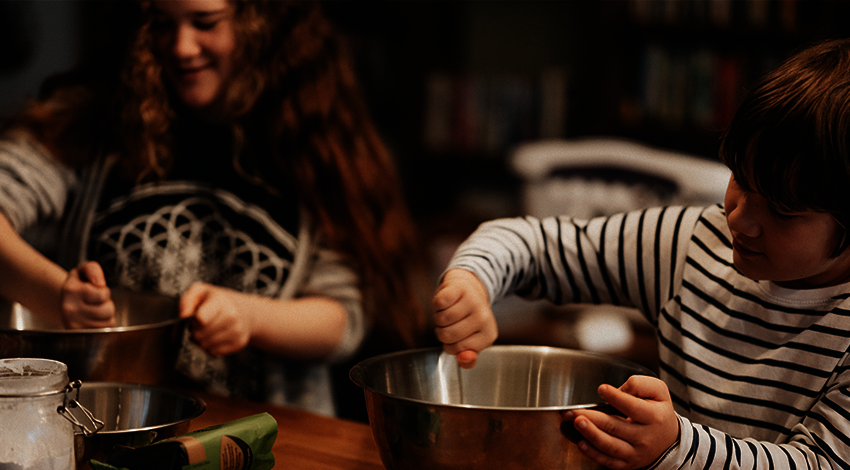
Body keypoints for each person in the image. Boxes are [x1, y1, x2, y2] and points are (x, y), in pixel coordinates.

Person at [432, 38, 850, 469]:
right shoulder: (692, 244)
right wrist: (472, 280)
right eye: (740, 180)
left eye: (781, 211)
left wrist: (676, 447)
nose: (740, 219)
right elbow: (530, 244)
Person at [0, 0, 431, 417]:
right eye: (162, 24)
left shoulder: (313, 141)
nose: (181, 47)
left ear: (260, 21)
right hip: (98, 423)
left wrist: (250, 316)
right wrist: (58, 296)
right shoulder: (91, 119)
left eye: (205, 22)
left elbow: (343, 319)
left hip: (263, 435)